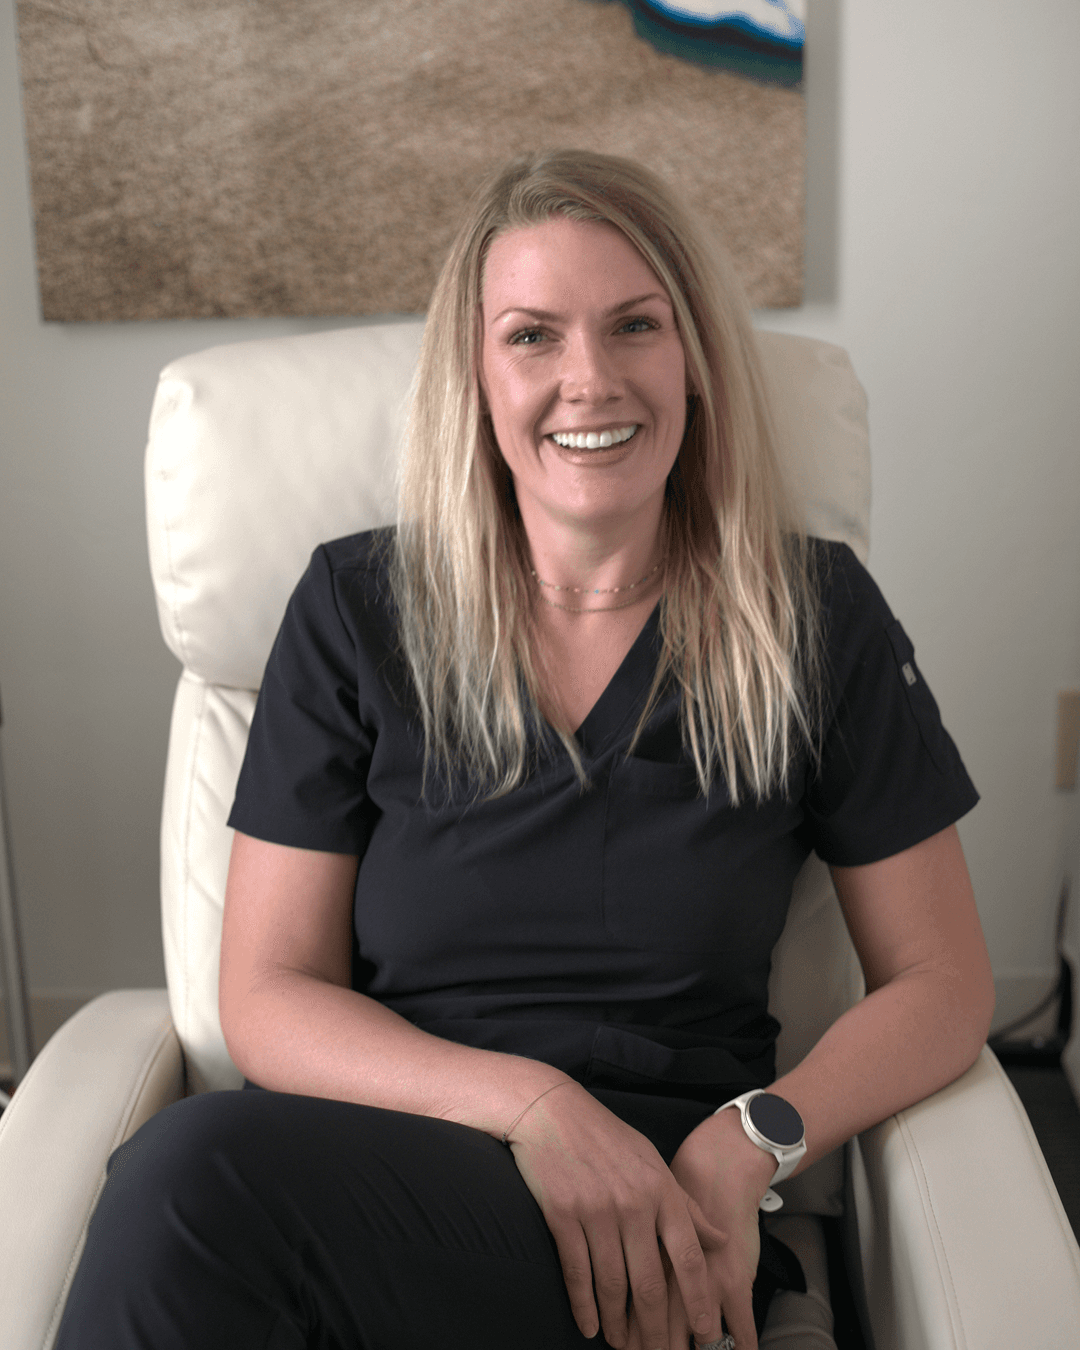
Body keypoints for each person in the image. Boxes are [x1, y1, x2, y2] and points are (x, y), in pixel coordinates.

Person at [56, 150, 994, 1350]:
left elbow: (945, 980)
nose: (588, 380)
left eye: (635, 325)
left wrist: (753, 1135)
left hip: (667, 1210)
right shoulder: (357, 609)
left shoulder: (809, 615)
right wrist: (534, 1108)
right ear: (477, 378)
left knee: (195, 1189)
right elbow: (267, 994)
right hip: (396, 1176)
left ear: (696, 358)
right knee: (189, 1181)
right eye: (533, 336)